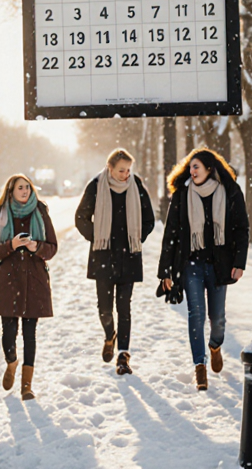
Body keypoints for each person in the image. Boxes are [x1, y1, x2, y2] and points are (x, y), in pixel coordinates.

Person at [158, 148, 249, 391]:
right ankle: (200, 366)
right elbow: (171, 234)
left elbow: (242, 228)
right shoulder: (182, 195)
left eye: (196, 166)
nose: (192, 171)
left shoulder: (229, 192)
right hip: (191, 265)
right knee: (195, 315)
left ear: (210, 168)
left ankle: (215, 345)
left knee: (217, 318)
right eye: (190, 167)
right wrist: (165, 271)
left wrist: (239, 263)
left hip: (220, 266)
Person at [74, 148, 155, 376]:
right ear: (110, 168)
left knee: (124, 307)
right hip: (103, 256)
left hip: (129, 256)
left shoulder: (136, 186)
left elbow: (149, 218)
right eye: (121, 170)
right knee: (105, 310)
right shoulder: (96, 186)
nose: (125, 174)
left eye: (128, 170)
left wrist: (137, 238)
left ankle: (123, 356)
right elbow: (80, 217)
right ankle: (110, 335)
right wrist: (98, 236)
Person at [0, 174, 58, 401]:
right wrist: (12, 245)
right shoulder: (2, 214)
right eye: (20, 188)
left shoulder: (41, 211)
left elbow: (53, 247)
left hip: (34, 279)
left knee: (29, 333)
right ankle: (11, 361)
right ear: (11, 191)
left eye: (27, 187)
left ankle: (27, 386)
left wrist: (37, 247)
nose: (25, 191)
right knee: (8, 333)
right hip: (8, 280)